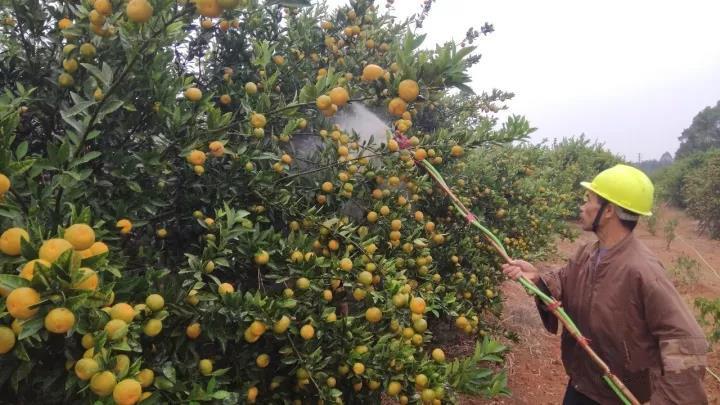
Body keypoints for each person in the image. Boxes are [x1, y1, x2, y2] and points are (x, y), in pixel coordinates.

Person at [502, 164, 708, 404]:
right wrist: (538, 278)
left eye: (589, 199)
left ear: (608, 210)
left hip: (618, 396)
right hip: (583, 384)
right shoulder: (589, 253)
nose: (582, 206)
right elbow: (566, 281)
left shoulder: (642, 270)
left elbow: (686, 340)